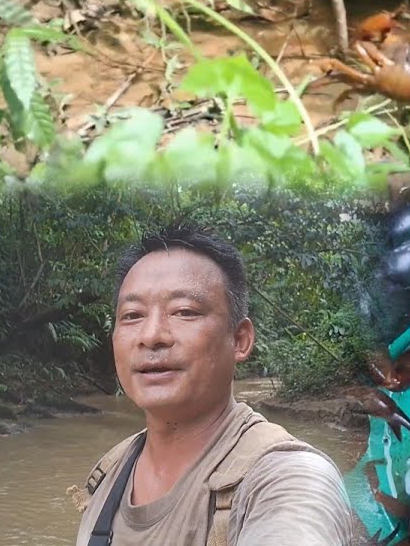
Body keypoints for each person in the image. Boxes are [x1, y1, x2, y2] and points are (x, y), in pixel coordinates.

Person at [71, 223, 363, 545]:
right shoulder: (108, 474)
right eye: (132, 315)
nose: (151, 335)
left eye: (184, 311)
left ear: (239, 340)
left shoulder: (288, 479)